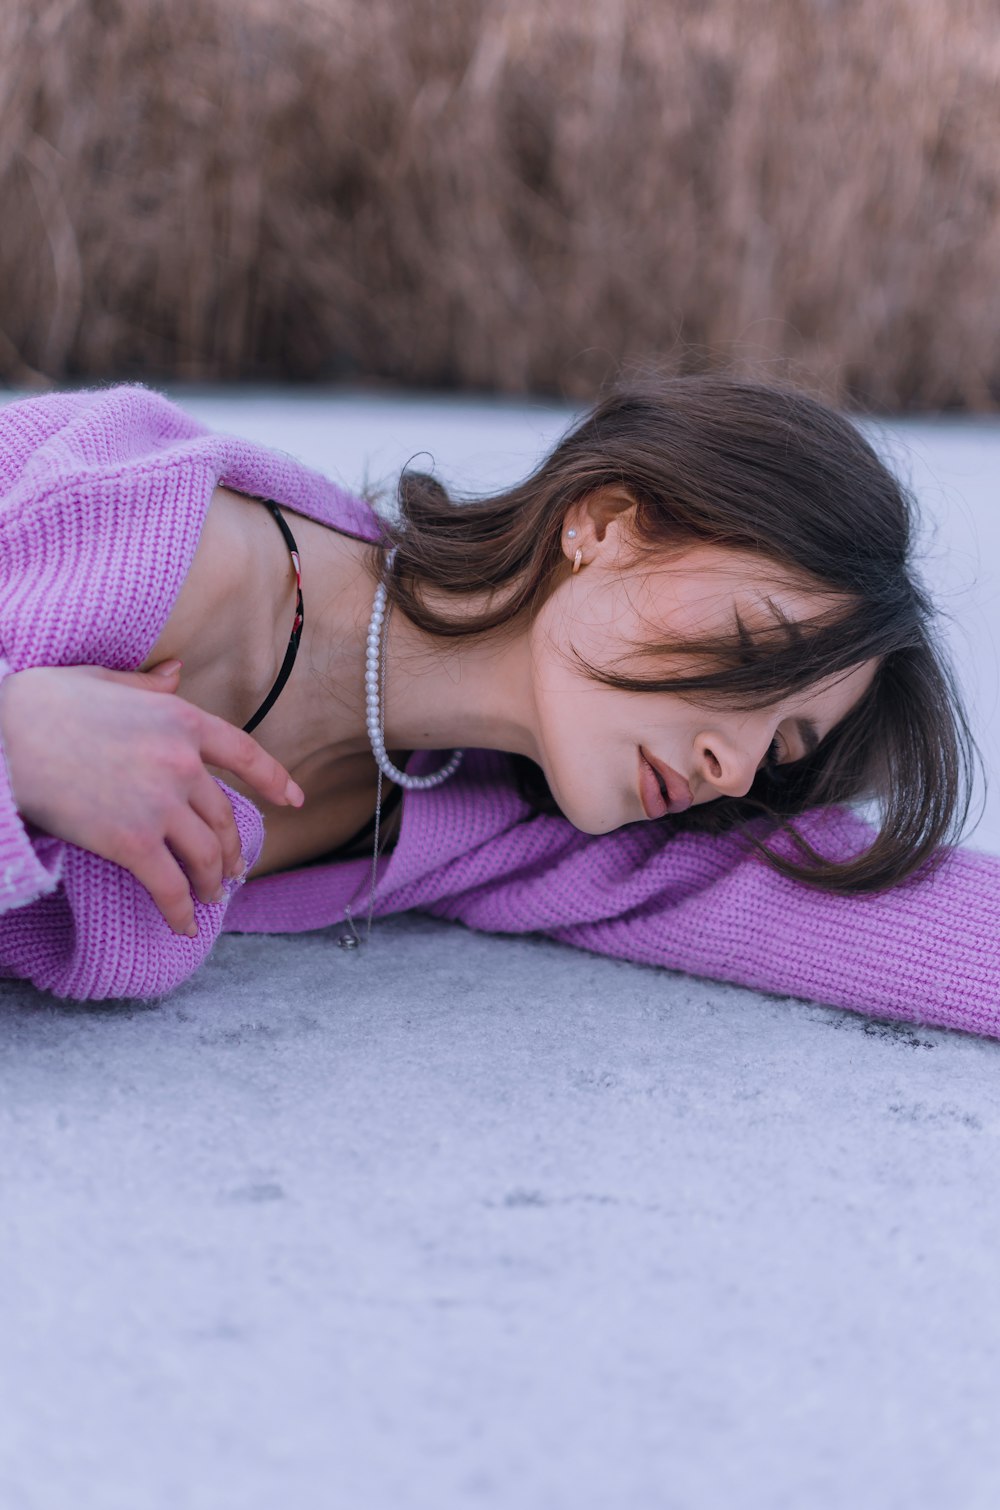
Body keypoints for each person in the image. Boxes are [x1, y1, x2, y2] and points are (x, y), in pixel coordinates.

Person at [0, 379, 996, 1034]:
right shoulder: (125, 521)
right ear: (604, 523)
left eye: (779, 742)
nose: (731, 766)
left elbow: (854, 909)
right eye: (746, 652)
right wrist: (20, 747)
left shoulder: (495, 821)